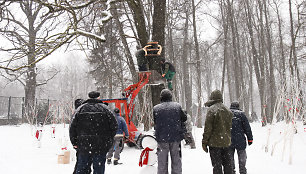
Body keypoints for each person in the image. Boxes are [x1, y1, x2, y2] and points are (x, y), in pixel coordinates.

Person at [69, 91, 118, 174]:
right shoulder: (106, 110)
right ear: (98, 97)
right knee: (99, 169)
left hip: (84, 145)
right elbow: (114, 126)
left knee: (82, 168)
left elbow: (72, 127)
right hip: (101, 146)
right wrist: (108, 141)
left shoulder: (80, 109)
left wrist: (74, 142)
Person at [153, 89, 187, 174]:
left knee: (162, 162)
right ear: (170, 97)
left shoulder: (156, 108)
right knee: (176, 160)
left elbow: (156, 121)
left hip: (162, 138)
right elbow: (184, 118)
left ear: (161, 97)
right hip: (175, 137)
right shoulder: (177, 106)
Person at [202, 89, 233, 174]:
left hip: (214, 144)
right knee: (228, 165)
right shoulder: (228, 110)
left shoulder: (212, 110)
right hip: (226, 142)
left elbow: (208, 128)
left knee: (217, 166)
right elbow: (229, 127)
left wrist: (204, 141)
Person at [229, 101, 253, 174]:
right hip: (240, 140)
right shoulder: (241, 115)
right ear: (238, 106)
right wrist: (250, 139)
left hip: (229, 140)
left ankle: (232, 171)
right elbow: (247, 128)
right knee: (242, 157)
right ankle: (242, 171)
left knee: (230, 158)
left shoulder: (227, 114)